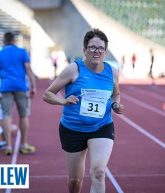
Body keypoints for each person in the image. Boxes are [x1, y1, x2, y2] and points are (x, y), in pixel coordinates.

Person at [43, 28, 124, 193]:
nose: (97, 51)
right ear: (84, 49)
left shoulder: (112, 72)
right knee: (75, 181)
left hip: (102, 126)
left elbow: (115, 94)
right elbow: (47, 94)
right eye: (93, 47)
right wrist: (63, 101)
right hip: (73, 129)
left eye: (101, 48)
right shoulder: (73, 70)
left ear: (105, 51)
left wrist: (115, 105)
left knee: (99, 173)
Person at [0, 31, 37, 155]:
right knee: (24, 115)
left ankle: (8, 146)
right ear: (14, 40)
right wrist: (33, 86)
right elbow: (28, 69)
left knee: (6, 115)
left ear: (4, 41)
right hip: (21, 86)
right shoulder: (22, 52)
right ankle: (23, 144)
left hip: (5, 87)